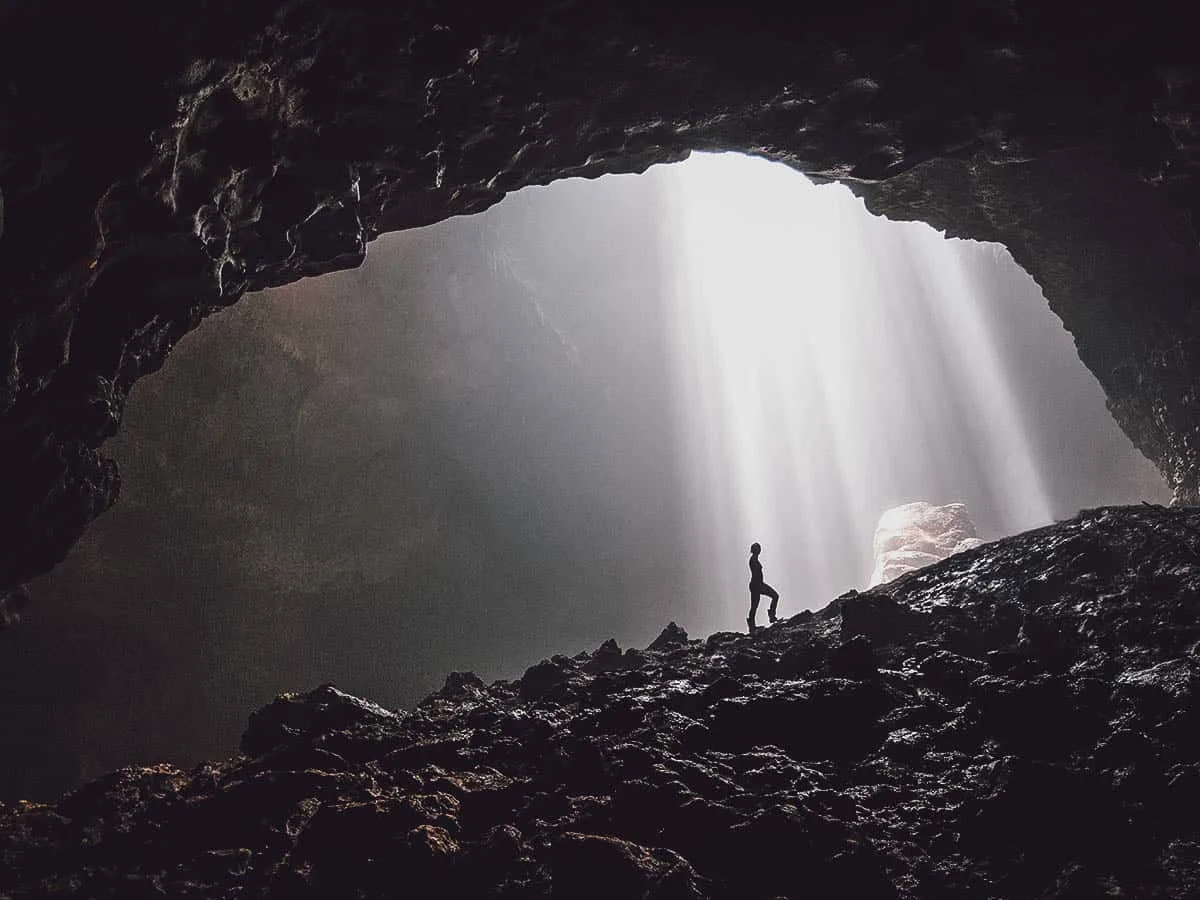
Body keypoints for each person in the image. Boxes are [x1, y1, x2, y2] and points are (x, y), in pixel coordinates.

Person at [747, 541, 780, 631]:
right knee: (755, 605)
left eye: (759, 548)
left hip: (759, 584)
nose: (759, 550)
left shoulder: (755, 559)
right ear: (755, 550)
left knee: (775, 596)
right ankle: (752, 625)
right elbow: (756, 572)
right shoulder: (753, 559)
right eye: (758, 548)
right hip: (756, 585)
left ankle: (771, 615)